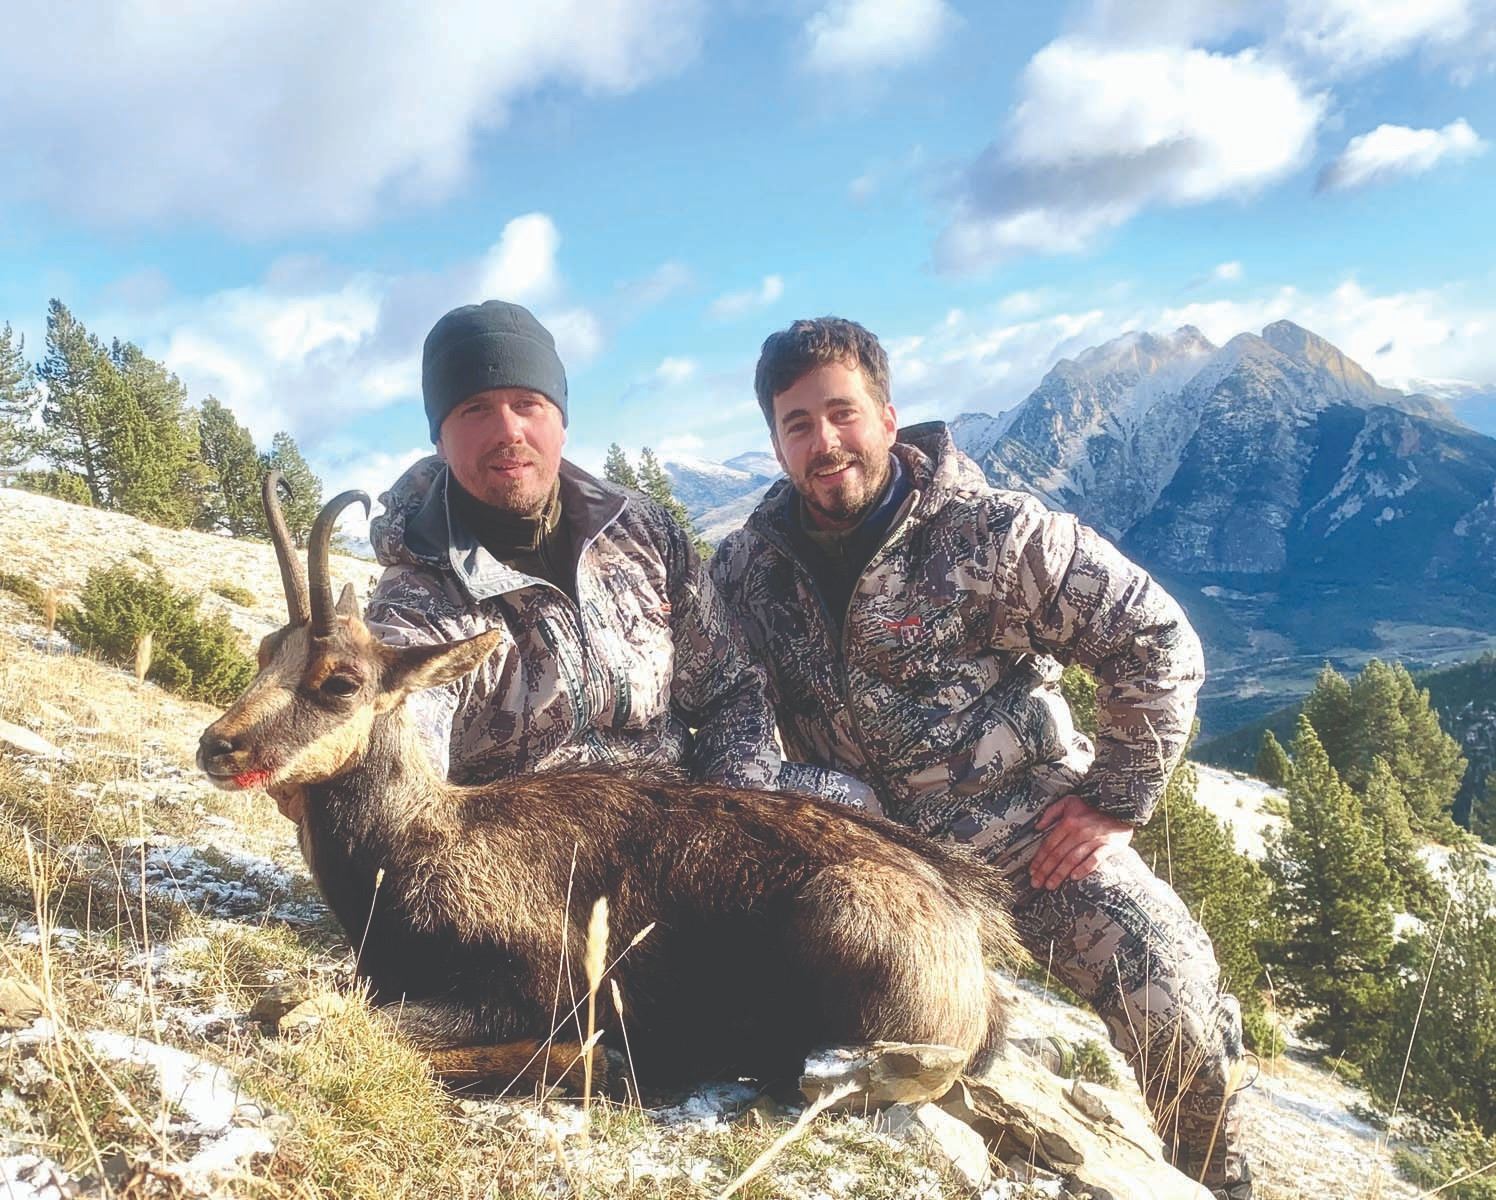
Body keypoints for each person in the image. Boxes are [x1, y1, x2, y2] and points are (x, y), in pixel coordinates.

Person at [710, 317, 1253, 1199]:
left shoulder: (992, 533)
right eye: (798, 424)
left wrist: (1116, 798)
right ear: (777, 444)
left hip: (1026, 841)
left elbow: (1155, 638)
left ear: (888, 418)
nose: (825, 442)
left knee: (1172, 993)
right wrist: (791, 794)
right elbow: (718, 703)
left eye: (843, 414)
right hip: (865, 863)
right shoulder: (744, 573)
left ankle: (1215, 1181)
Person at [359, 299, 788, 792]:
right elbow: (401, 771)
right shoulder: (413, 605)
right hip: (529, 835)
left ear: (560, 421)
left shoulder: (642, 531)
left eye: (528, 404)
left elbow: (732, 691)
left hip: (687, 807)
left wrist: (730, 809)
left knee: (850, 807)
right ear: (440, 439)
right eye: (475, 409)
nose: (508, 430)